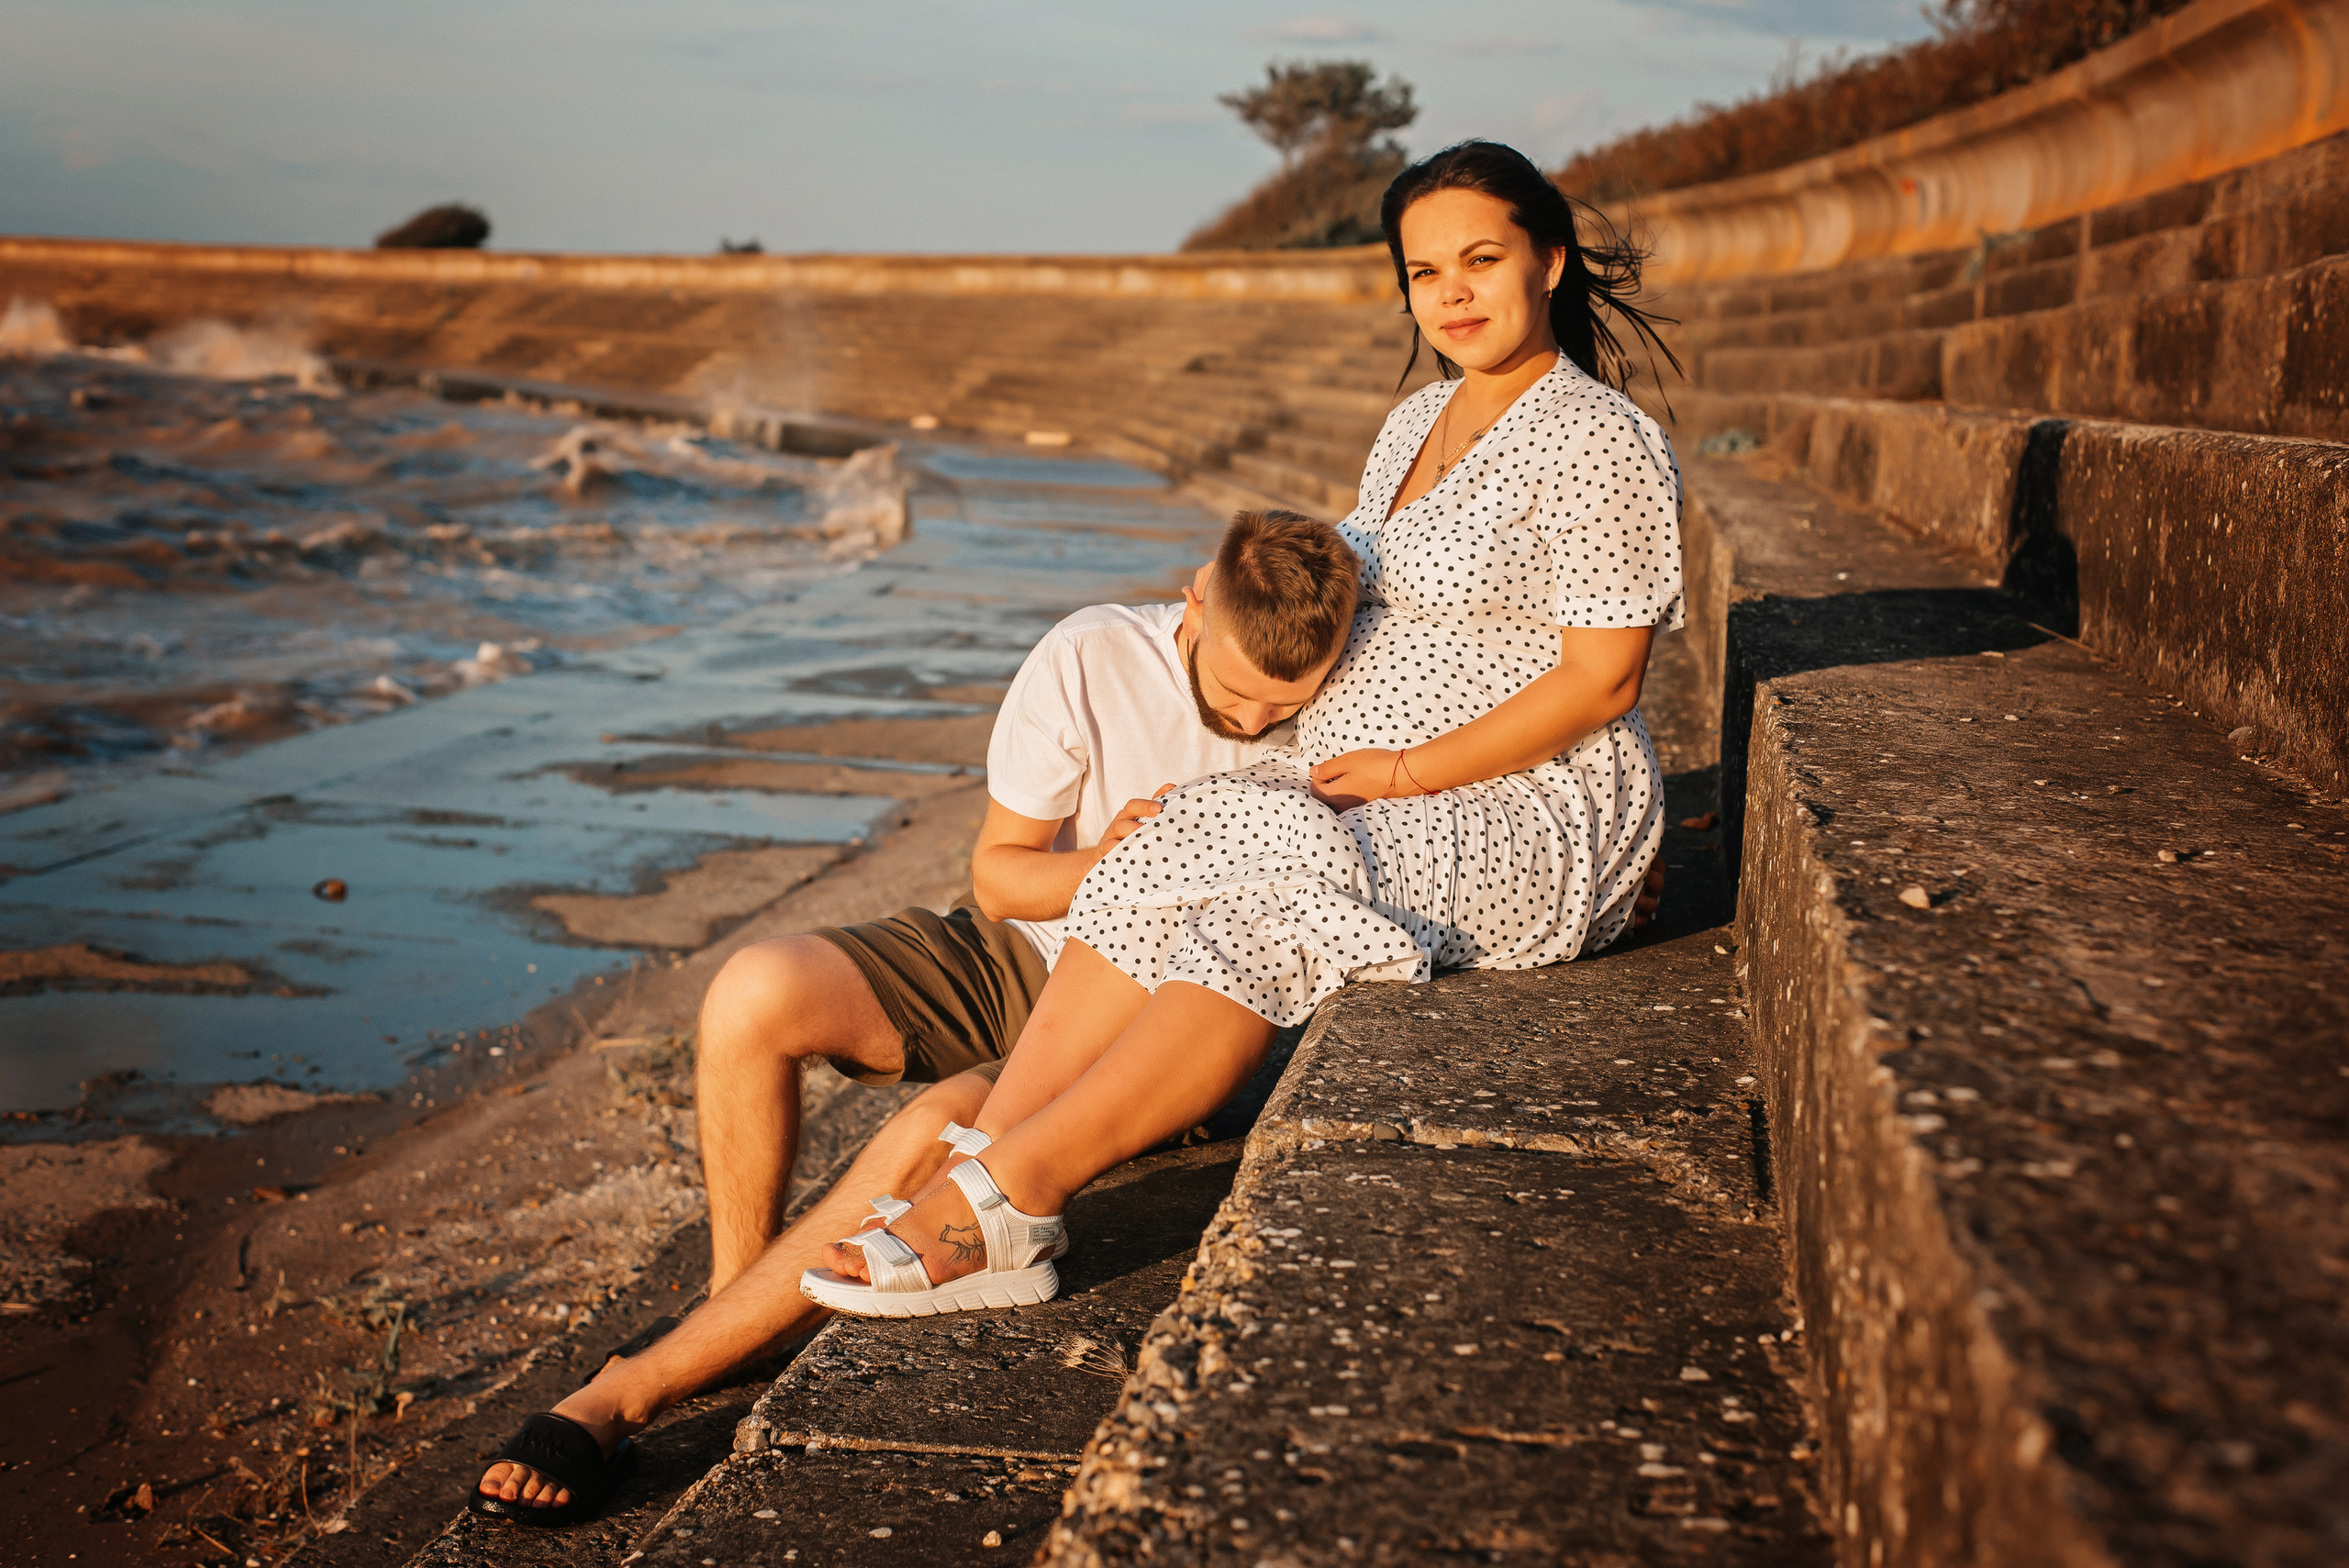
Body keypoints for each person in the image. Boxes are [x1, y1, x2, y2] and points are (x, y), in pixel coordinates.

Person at [803, 139, 1686, 1319]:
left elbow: (1604, 681)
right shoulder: (1412, 422)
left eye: (1481, 260)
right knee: (1170, 837)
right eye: (1425, 273)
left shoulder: (1597, 436)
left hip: (1531, 806)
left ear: (1552, 262)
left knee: (1266, 908)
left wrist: (1406, 769)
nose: (1454, 294)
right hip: (1383, 793)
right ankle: (986, 1157)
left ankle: (1010, 1198)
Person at [465, 508, 1369, 1522]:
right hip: (1039, 948)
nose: (1252, 721)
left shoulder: (1351, 691)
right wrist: (1109, 861)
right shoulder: (1091, 653)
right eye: (1235, 692)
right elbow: (999, 876)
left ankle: (628, 1392)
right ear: (1196, 600)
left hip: (1162, 1009)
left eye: (1281, 704)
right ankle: (738, 1314)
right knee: (752, 991)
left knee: (932, 1127)